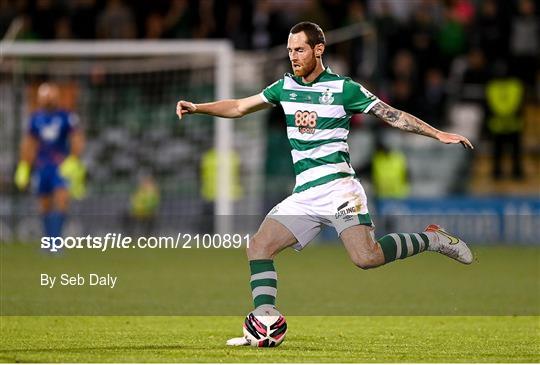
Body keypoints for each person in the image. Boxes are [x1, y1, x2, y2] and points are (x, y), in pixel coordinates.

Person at [176, 22, 474, 346]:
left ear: (319, 49)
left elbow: (391, 114)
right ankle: (264, 322)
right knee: (259, 247)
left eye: (299, 49)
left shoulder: (345, 89)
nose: (293, 56)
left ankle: (432, 239)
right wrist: (198, 108)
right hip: (304, 194)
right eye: (290, 50)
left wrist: (438, 133)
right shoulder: (284, 87)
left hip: (339, 189)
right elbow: (239, 106)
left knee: (366, 258)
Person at [14, 82, 85, 239]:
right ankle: (48, 241)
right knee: (44, 204)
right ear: (39, 99)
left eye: (50, 96)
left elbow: (77, 139)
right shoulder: (35, 119)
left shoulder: (67, 116)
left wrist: (73, 160)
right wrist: (24, 165)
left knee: (61, 201)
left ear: (56, 97)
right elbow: (29, 143)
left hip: (61, 166)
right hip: (42, 166)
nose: (48, 99)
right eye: (45, 96)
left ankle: (56, 242)